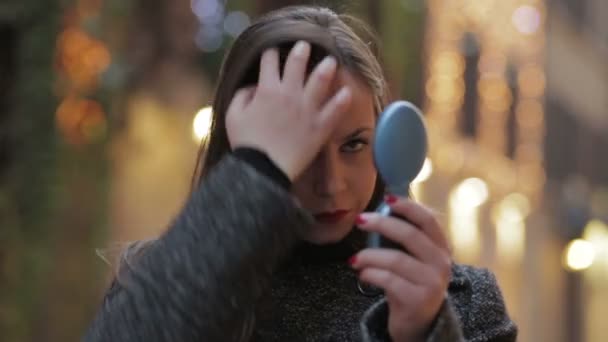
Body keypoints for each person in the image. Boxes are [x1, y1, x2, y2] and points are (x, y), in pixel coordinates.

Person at [85, 5, 517, 342]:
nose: (331, 184)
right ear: (242, 144)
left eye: (354, 144)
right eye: (304, 151)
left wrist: (423, 333)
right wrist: (257, 171)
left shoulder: (459, 302)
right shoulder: (156, 283)